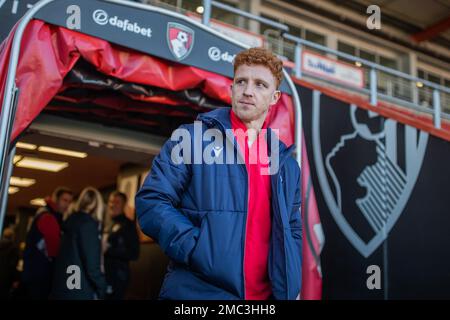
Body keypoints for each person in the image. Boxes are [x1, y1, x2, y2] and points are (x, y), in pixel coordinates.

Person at [136, 47, 302, 300]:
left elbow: (293, 227)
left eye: (260, 85)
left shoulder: (286, 164)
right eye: (241, 82)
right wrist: (196, 248)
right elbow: (151, 201)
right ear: (232, 88)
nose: (248, 91)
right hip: (200, 293)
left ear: (274, 97)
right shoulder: (192, 138)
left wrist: (292, 275)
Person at [51, 187, 107, 300]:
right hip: (78, 287)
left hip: (64, 285)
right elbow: (92, 267)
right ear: (98, 206)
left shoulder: (70, 221)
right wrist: (103, 288)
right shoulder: (88, 225)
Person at [21, 187, 73, 299]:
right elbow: (54, 250)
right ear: (56, 199)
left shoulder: (48, 214)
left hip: (35, 274)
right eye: (64, 200)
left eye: (69, 201)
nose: (67, 205)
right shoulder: (48, 217)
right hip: (39, 276)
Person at [103, 191, 139, 300]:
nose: (112, 205)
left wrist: (108, 250)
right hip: (103, 275)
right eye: (111, 201)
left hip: (118, 276)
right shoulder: (106, 224)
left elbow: (134, 254)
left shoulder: (128, 225)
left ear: (124, 205)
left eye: (117, 202)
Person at [0, 228, 19, 299]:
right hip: (6, 279)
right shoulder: (13, 249)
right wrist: (16, 279)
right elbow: (12, 266)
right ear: (12, 237)